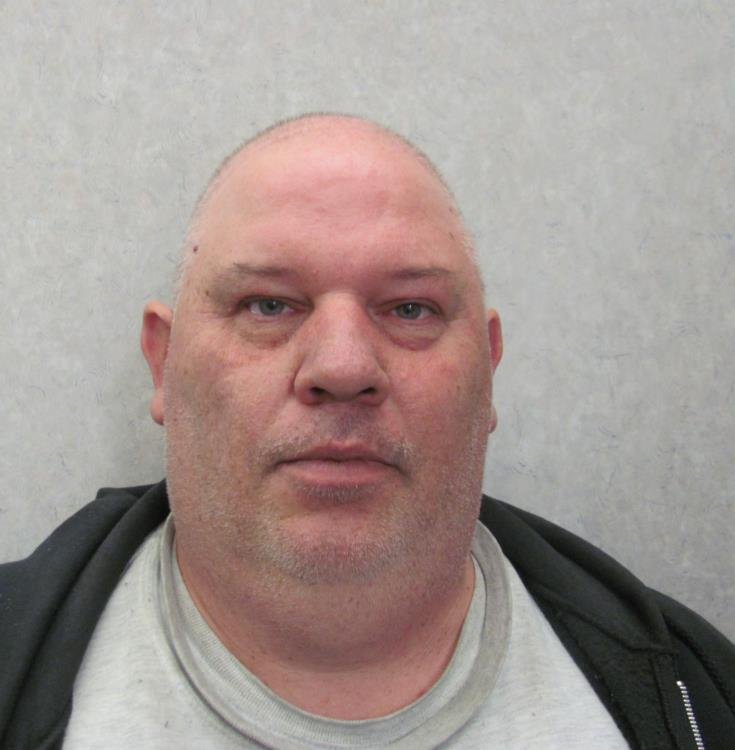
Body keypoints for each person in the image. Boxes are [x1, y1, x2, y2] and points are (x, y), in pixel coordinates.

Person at [1, 114, 733, 750]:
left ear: (487, 371)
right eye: (268, 305)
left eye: (410, 310)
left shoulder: (701, 694)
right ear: (163, 362)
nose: (344, 367)